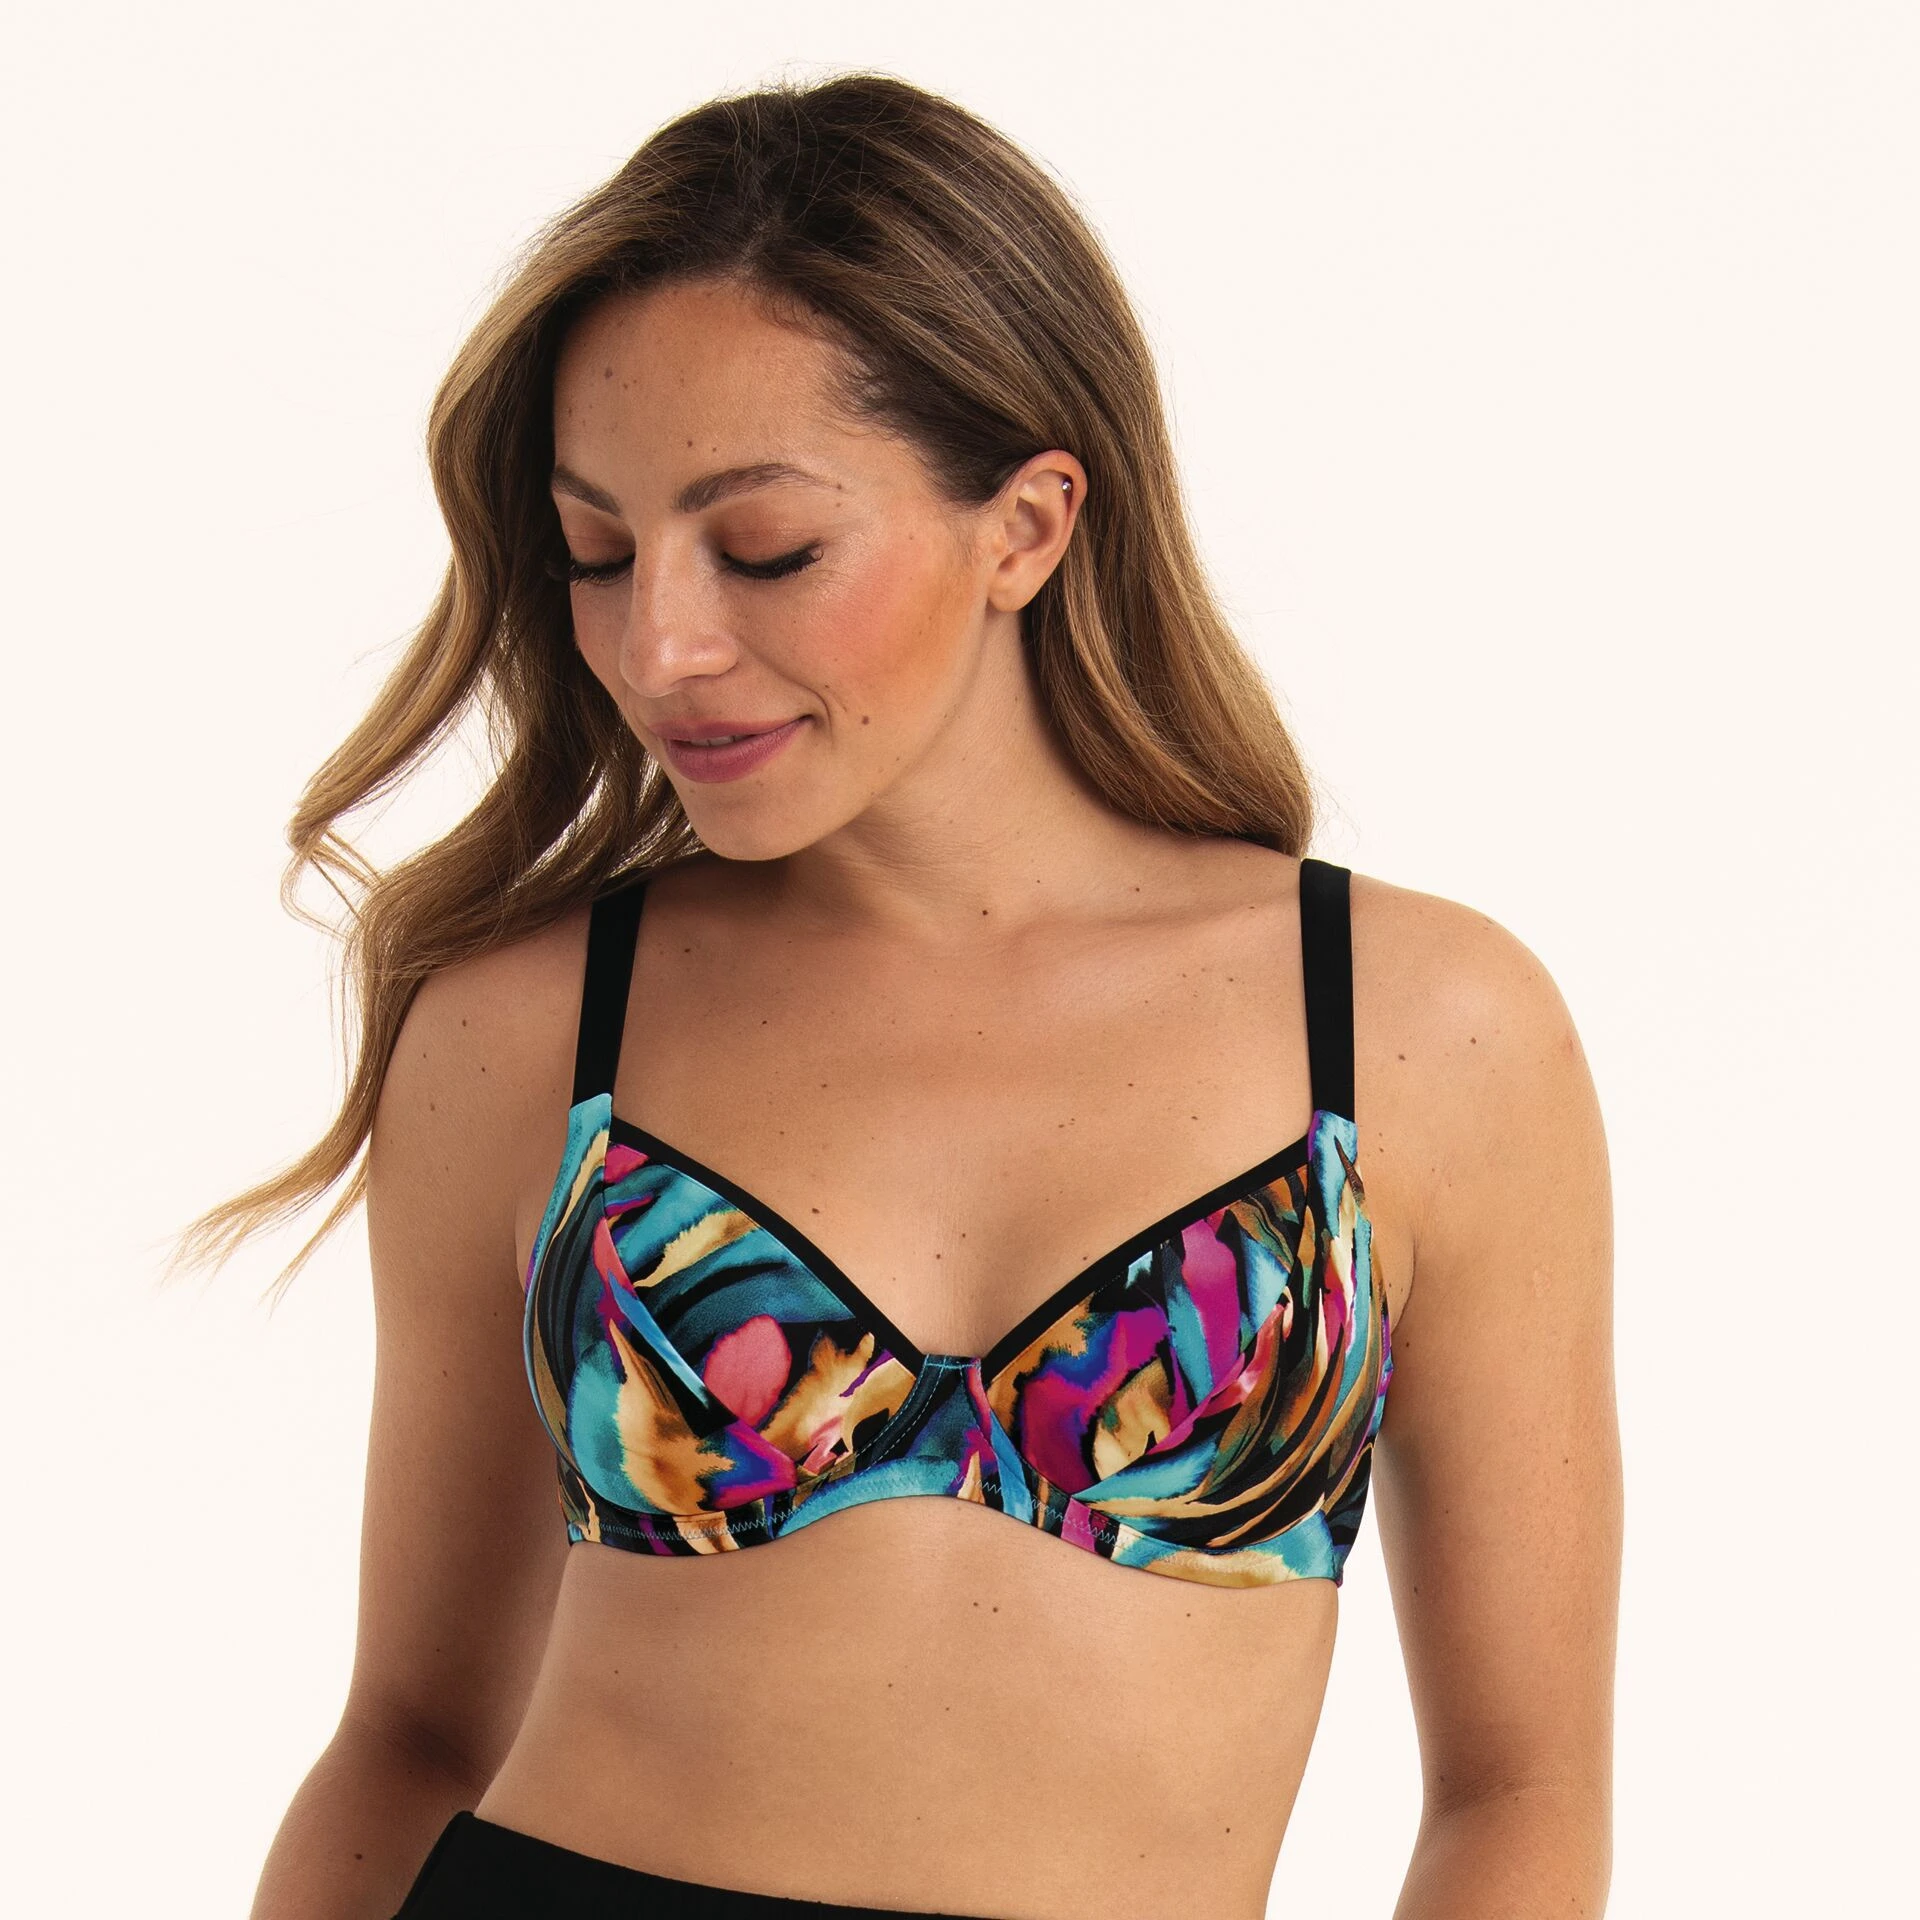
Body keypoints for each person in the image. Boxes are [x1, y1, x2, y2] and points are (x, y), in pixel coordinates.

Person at [187, 70, 1621, 1920]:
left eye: (766, 550)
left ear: (1026, 525)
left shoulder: (1421, 1028)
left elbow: (1521, 1792)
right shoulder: (532, 1029)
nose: (660, 645)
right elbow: (409, 1734)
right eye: (598, 552)